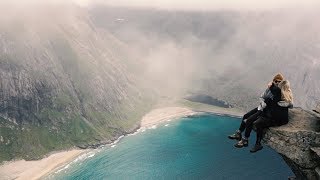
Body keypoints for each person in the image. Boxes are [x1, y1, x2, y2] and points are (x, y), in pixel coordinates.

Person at [228, 73, 284, 148]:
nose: (277, 83)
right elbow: (261, 97)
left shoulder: (278, 91)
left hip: (265, 110)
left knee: (250, 120)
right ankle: (238, 133)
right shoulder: (269, 89)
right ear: (273, 81)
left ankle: (245, 139)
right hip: (261, 107)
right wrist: (262, 102)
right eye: (276, 81)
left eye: (279, 81)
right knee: (245, 116)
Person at [250, 80, 293, 153]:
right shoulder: (287, 94)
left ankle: (258, 144)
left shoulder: (279, 93)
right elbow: (291, 105)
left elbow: (272, 87)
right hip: (282, 119)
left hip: (276, 120)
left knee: (258, 123)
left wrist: (271, 83)